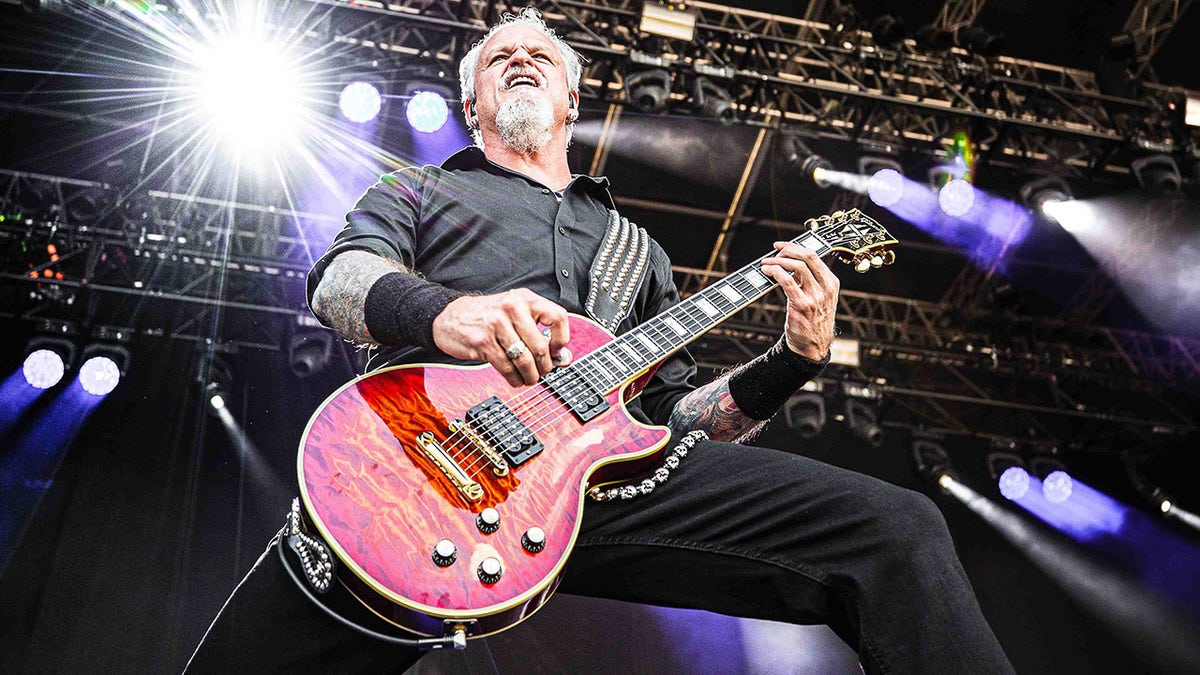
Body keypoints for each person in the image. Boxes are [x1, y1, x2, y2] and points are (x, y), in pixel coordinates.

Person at [187, 8, 1013, 673]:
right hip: (418, 467)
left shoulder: (634, 249)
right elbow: (339, 283)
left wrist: (789, 362)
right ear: (471, 104)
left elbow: (677, 420)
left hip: (600, 478)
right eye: (497, 56)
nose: (518, 59)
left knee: (898, 528)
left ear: (572, 101)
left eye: (539, 56)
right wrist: (446, 314)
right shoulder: (419, 187)